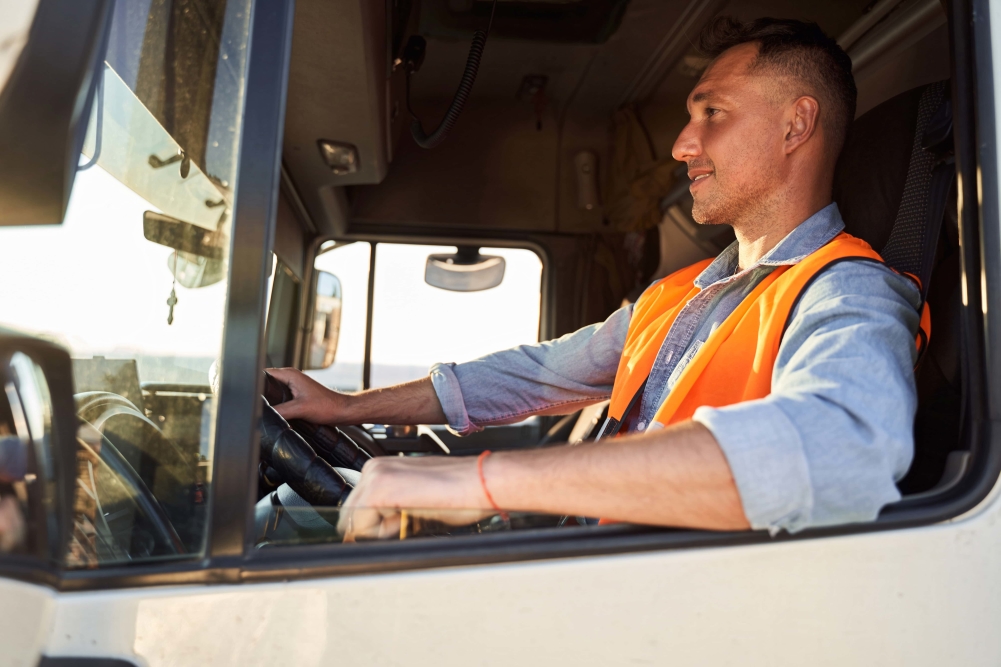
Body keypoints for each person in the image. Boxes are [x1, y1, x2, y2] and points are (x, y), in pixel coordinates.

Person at [269, 17, 922, 540]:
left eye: (712, 114)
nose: (681, 145)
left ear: (795, 124)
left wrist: (480, 483)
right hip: (606, 568)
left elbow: (842, 449)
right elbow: (535, 372)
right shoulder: (675, 294)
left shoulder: (849, 289)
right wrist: (346, 406)